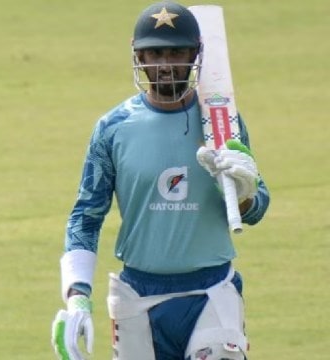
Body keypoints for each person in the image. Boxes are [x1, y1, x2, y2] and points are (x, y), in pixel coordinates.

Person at [51, 1, 269, 359]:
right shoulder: (113, 129)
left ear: (195, 54)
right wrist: (77, 296)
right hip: (136, 296)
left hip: (211, 291)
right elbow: (85, 217)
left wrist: (245, 195)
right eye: (154, 53)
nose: (165, 65)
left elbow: (257, 208)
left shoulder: (221, 120)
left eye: (176, 52)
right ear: (138, 56)